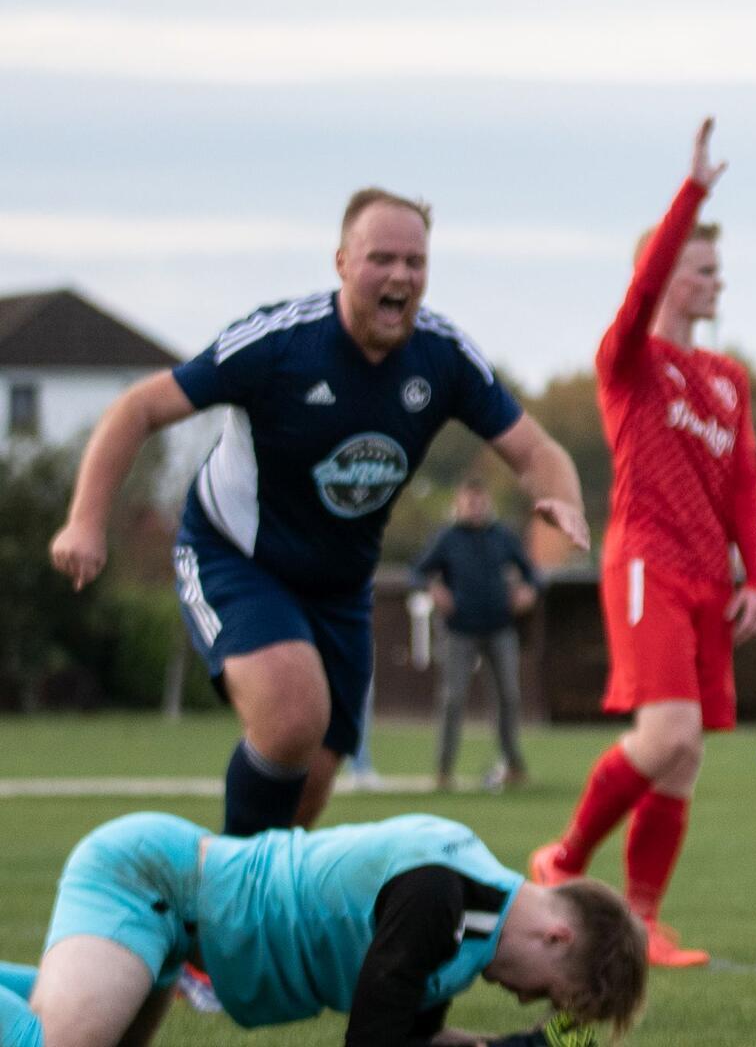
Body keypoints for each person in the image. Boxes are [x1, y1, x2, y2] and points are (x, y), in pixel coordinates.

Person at [48, 189, 589, 838]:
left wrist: (563, 496)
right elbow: (136, 408)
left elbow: (536, 450)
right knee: (291, 717)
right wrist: (85, 520)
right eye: (380, 258)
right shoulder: (278, 343)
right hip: (235, 557)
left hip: (339, 588)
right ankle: (226, 899)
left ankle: (242, 915)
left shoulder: (442, 357)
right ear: (341, 262)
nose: (399, 276)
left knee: (310, 790)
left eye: (414, 262)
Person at [529, 119, 756, 970]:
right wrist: (693, 194)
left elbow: (745, 483)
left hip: (712, 577)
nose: (716, 282)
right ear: (667, 269)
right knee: (666, 733)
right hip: (645, 565)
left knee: (685, 758)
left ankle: (638, 923)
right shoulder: (629, 359)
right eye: (702, 268)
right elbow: (640, 295)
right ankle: (562, 860)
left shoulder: (727, 378)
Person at [0, 811, 645, 1047]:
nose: (526, 999)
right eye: (549, 994)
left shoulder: (471, 920)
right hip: (150, 882)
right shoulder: (438, 899)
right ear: (556, 939)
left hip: (179, 913)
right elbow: (373, 1039)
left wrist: (525, 1046)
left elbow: (407, 1035)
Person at [414, 477, 542, 792]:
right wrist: (435, 589)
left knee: (509, 697)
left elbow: (533, 574)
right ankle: (444, 770)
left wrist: (529, 591)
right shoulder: (447, 538)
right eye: (469, 501)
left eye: (480, 500)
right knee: (453, 698)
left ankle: (513, 764)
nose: (475, 507)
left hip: (500, 628)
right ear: (460, 503)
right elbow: (416, 572)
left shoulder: (502, 537)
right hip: (460, 631)